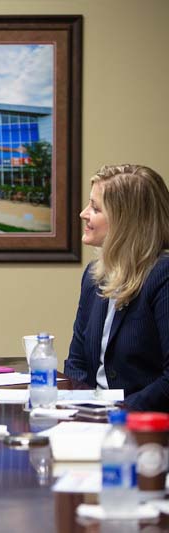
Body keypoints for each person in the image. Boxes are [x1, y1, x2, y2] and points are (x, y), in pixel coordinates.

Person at [64, 164, 169, 411]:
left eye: (96, 208)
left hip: (145, 429)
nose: (83, 213)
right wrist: (78, 411)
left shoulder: (162, 275)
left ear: (126, 221)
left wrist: (117, 413)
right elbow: (77, 364)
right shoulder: (93, 276)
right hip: (92, 421)